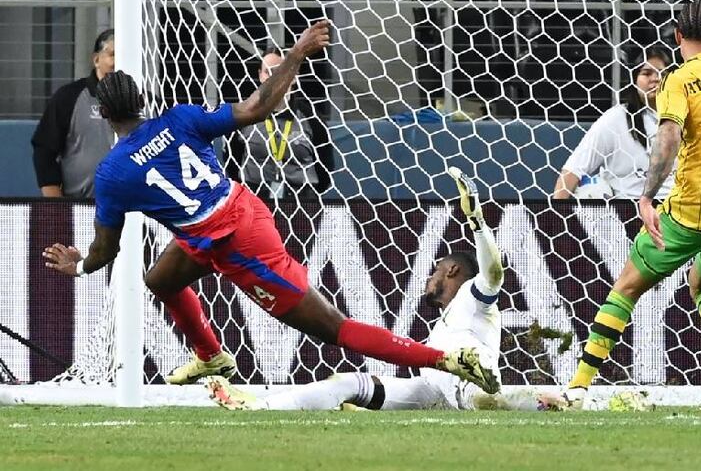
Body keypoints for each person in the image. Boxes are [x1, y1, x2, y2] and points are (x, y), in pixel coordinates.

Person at [41, 20, 498, 395]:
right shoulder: (181, 117)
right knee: (160, 278)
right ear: (142, 100)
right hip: (233, 210)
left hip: (237, 243)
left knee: (333, 328)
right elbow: (258, 107)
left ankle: (448, 360)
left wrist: (80, 266)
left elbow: (105, 251)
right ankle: (211, 355)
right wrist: (296, 53)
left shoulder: (112, 174)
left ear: (101, 113)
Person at [542, 0, 701, 413]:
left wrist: (648, 195)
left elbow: (667, 138)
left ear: (678, 37)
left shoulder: (679, 79)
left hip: (693, 209)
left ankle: (577, 388)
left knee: (627, 288)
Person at [206, 167, 524, 412]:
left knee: (489, 399)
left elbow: (493, 273)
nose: (430, 277)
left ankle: (563, 398)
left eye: (436, 269)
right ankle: (259, 407)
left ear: (451, 269)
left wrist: (477, 222)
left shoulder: (471, 296)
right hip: (433, 391)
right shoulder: (446, 320)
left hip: (470, 389)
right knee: (347, 383)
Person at [224, 43, 332, 249]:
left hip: (302, 209)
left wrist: (306, 195)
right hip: (254, 208)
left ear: (294, 75)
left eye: (280, 71)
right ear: (260, 75)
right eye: (269, 72)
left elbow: (326, 168)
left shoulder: (311, 118)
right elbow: (232, 165)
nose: (274, 77)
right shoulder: (241, 117)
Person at [552, 47, 675, 200]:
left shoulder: (686, 119)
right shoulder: (615, 120)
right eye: (646, 73)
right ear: (634, 79)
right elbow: (573, 169)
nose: (656, 78)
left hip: (676, 213)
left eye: (662, 73)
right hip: (626, 212)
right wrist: (555, 217)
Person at [31, 29, 116, 197]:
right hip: (81, 207)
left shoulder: (147, 101)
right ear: (97, 59)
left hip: (135, 212)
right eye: (113, 55)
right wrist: (56, 204)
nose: (119, 61)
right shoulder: (69, 97)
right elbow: (44, 150)